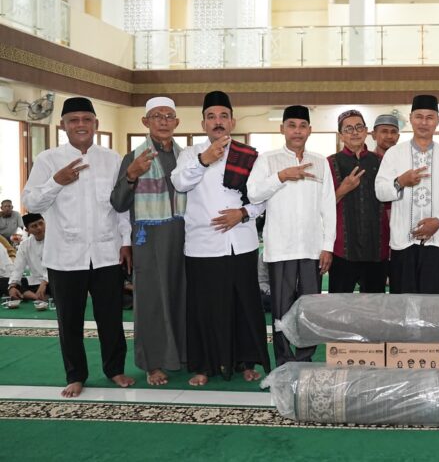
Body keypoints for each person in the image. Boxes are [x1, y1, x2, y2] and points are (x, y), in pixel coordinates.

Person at [22, 96, 134, 398]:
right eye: (74, 120)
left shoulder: (112, 159)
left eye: (86, 119)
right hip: (65, 256)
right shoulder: (48, 160)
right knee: (69, 320)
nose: (81, 125)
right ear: (63, 125)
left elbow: (121, 206)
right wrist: (56, 181)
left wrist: (126, 242)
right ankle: (75, 375)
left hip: (107, 253)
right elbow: (31, 202)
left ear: (96, 124)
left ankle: (115, 369)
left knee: (111, 318)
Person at [171, 91, 270, 386]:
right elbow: (179, 182)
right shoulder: (190, 154)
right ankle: (204, 365)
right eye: (211, 117)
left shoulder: (249, 155)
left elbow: (263, 196)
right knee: (205, 309)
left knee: (243, 307)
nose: (218, 121)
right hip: (202, 246)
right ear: (203, 123)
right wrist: (204, 160)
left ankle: (246, 363)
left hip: (241, 242)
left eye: (223, 116)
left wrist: (243, 213)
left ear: (232, 122)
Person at [247, 104, 336, 367]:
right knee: (281, 308)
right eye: (292, 125)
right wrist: (281, 176)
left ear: (310, 130)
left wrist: (328, 246)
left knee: (309, 309)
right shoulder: (267, 160)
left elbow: (328, 207)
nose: (297, 131)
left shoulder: (320, 162)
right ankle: (284, 361)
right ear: (282, 129)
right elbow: (254, 194)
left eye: (302, 126)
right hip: (281, 248)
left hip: (311, 248)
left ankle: (305, 358)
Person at [111, 96, 187, 386]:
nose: (164, 121)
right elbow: (118, 202)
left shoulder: (186, 157)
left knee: (183, 297)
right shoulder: (133, 158)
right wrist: (131, 175)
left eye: (169, 116)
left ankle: (183, 356)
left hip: (185, 238)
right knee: (152, 301)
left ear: (177, 122)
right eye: (157, 116)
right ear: (146, 121)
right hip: (150, 240)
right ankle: (153, 363)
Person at [376, 95, 439, 294]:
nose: (424, 122)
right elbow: (380, 192)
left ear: (437, 120)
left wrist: (438, 222)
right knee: (404, 303)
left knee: (435, 303)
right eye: (419, 117)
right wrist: (400, 182)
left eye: (429, 117)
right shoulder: (394, 153)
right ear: (411, 118)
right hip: (403, 242)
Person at [325, 110, 388, 294]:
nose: (355, 132)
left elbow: (391, 204)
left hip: (377, 249)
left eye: (359, 127)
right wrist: (342, 189)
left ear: (366, 131)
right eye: (348, 129)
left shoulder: (382, 162)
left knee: (375, 306)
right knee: (338, 306)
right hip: (342, 250)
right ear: (341, 135)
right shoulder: (330, 163)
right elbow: (321, 208)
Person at [7, 213, 48, 302]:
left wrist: (45, 282)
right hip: (36, 282)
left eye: (41, 223)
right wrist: (12, 286)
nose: (39, 228)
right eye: (34, 226)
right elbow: (18, 268)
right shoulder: (24, 245)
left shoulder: (55, 241)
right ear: (27, 230)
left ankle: (31, 295)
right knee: (14, 284)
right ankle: (37, 296)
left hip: (54, 280)